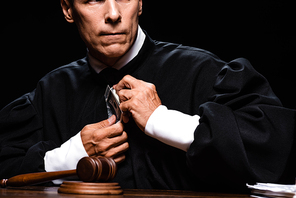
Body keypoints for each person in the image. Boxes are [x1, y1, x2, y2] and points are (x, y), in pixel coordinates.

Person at [0, 0, 295, 192]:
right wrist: (70, 155)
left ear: (140, 4)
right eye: (93, 0)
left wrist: (161, 120)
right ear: (67, 9)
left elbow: (273, 146)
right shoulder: (51, 91)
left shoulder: (204, 71)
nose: (113, 14)